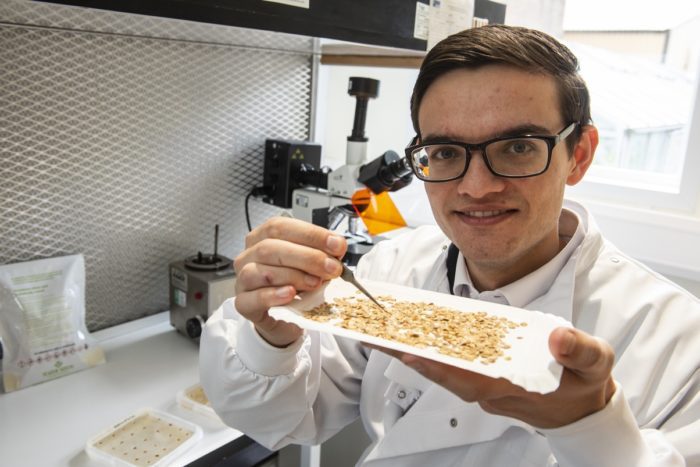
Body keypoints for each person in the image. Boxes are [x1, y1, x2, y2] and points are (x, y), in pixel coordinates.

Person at [200, 25, 700, 466]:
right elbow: (280, 418)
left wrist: (588, 425)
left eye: (518, 147)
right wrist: (272, 335)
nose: (476, 187)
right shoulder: (392, 268)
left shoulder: (675, 340)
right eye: (444, 152)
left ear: (579, 154)